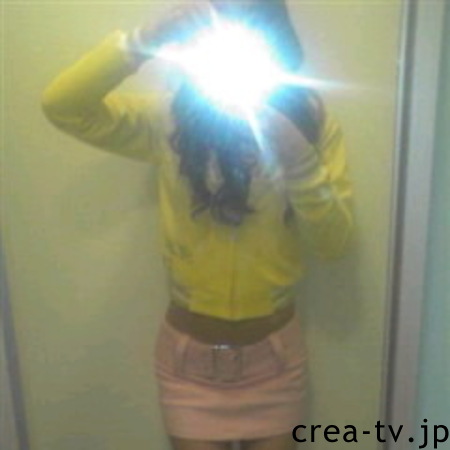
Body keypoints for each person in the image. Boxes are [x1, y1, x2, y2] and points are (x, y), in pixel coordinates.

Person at [41, 1, 354, 449]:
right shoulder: (172, 121)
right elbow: (63, 106)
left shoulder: (311, 125)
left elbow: (334, 243)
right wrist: (142, 40)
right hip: (188, 366)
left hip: (275, 362)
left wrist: (299, 160)